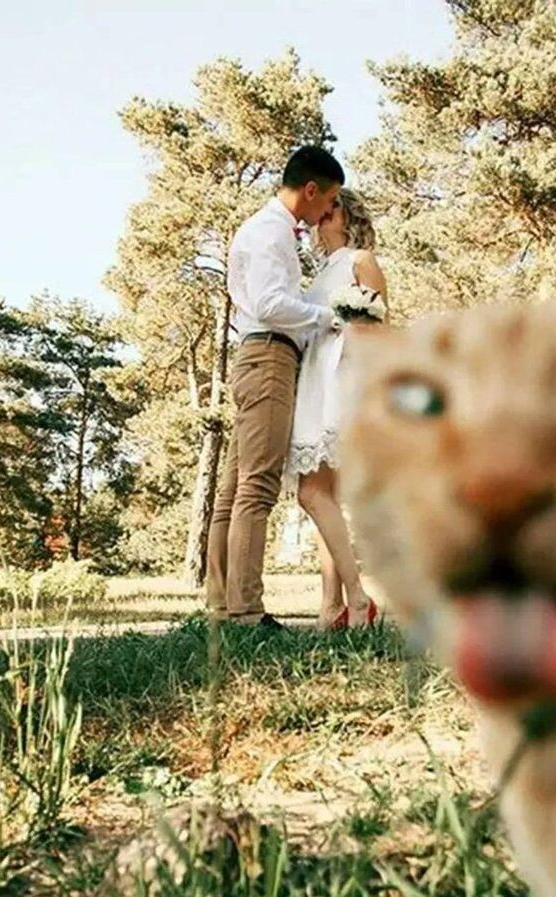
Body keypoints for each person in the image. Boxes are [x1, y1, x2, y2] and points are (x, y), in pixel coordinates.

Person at [206, 145, 344, 629]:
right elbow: (268, 302)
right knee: (257, 486)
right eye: (329, 200)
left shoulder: (272, 230)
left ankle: (221, 606)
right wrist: (327, 317)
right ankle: (245, 613)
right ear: (311, 190)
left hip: (257, 355)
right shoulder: (269, 232)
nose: (328, 211)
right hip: (268, 356)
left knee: (234, 488)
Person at [286, 188, 388, 629]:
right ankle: (331, 608)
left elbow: (379, 330)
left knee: (311, 494)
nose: (324, 214)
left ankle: (358, 598)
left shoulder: (360, 260)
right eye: (322, 208)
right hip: (314, 381)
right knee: (324, 497)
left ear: (350, 217)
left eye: (335, 207)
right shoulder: (318, 274)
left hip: (343, 382)